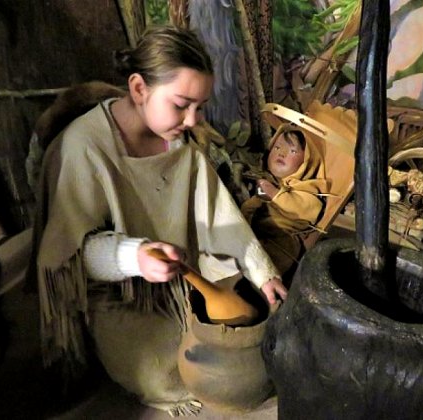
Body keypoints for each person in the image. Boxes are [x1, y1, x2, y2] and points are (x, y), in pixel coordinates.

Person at [32, 25, 287, 415]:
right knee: (164, 375)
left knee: (243, 332)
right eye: (181, 104)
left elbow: (220, 216)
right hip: (120, 292)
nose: (191, 120)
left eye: (199, 107)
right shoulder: (83, 148)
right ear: (139, 89)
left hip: (181, 277)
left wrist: (262, 272)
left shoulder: (181, 144)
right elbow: (70, 254)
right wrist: (135, 257)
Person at [241, 124, 328, 278]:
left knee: (259, 266)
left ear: (306, 162)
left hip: (280, 241)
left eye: (292, 151)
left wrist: (276, 194)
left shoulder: (306, 187)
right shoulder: (267, 178)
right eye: (277, 148)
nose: (282, 153)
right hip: (254, 233)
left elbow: (306, 209)